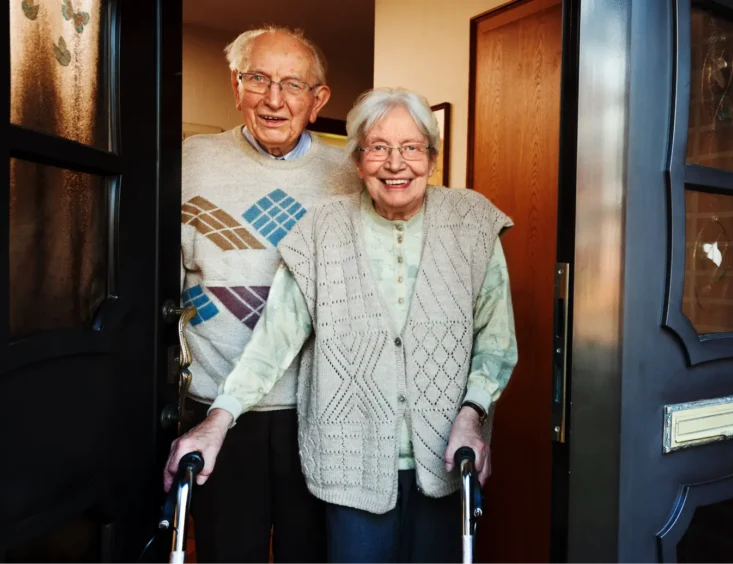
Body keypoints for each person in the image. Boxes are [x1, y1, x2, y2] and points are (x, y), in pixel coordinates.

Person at [168, 86, 519, 564]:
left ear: (431, 159)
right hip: (350, 463)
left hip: (448, 457)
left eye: (411, 148)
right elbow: (275, 338)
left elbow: (495, 340)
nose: (396, 164)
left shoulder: (472, 223)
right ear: (357, 162)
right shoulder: (321, 229)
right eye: (378, 148)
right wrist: (218, 418)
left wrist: (472, 414)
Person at [167, 25, 360, 564]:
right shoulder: (189, 160)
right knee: (230, 551)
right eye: (258, 79)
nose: (274, 99)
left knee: (312, 553)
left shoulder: (349, 174)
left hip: (317, 406)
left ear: (318, 100)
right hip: (215, 402)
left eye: (292, 84)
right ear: (236, 86)